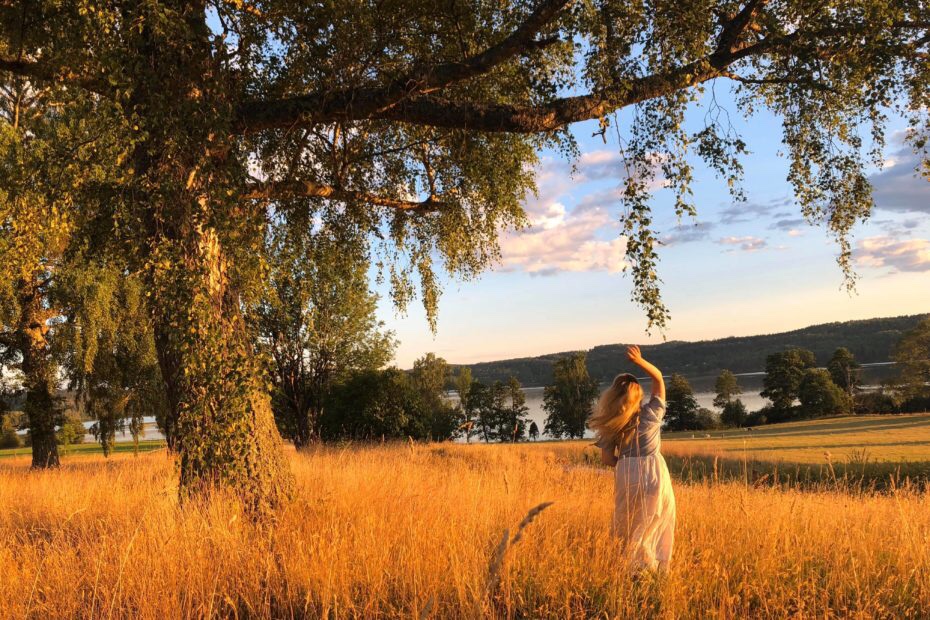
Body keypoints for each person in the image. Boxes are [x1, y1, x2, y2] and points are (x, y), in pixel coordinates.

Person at [588, 345, 675, 571]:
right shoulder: (651, 413)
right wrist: (639, 361)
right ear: (639, 396)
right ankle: (656, 569)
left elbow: (607, 459)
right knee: (658, 520)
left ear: (613, 397)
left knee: (626, 524)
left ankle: (631, 569)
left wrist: (627, 463)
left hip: (626, 472)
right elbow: (658, 378)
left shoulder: (611, 424)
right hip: (654, 471)